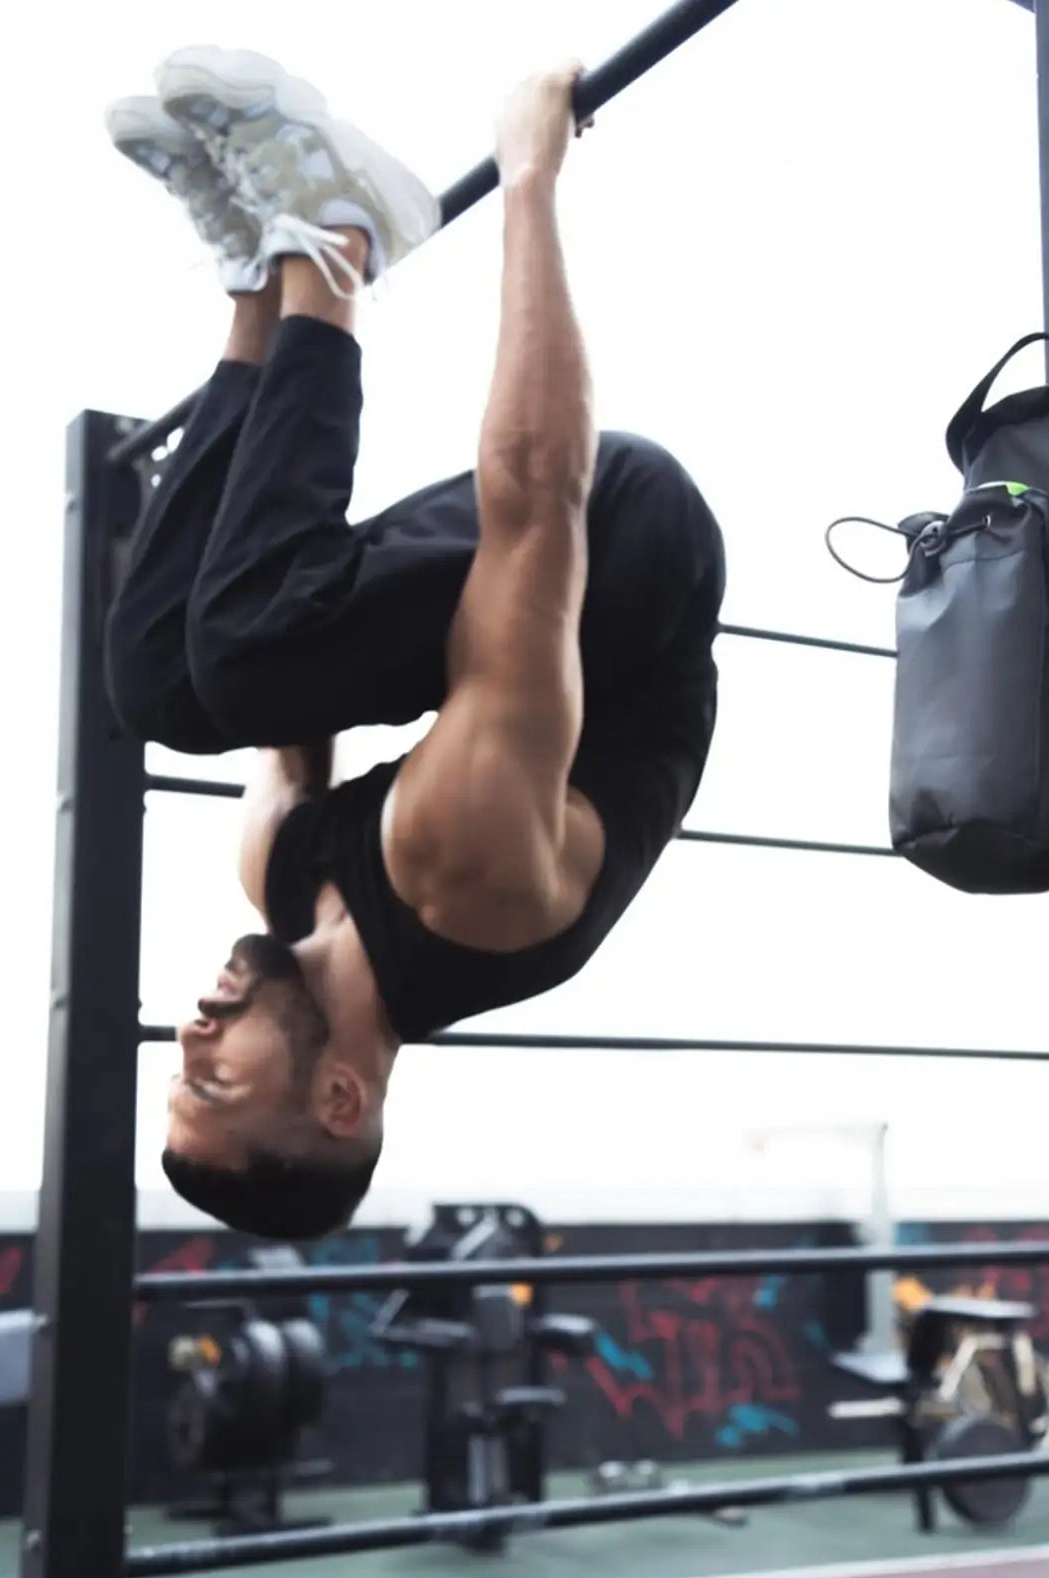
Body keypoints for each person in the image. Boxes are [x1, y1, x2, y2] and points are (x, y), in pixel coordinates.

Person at [103, 47, 726, 1241]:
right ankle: (333, 251)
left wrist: (266, 364)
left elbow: (257, 649)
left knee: (160, 686)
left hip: (506, 623)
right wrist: (530, 174)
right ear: (342, 1095)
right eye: (214, 1073)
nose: (188, 1032)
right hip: (626, 544)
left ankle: (259, 273)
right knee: (242, 658)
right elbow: (539, 495)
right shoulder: (470, 874)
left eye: (179, 1064)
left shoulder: (280, 873)